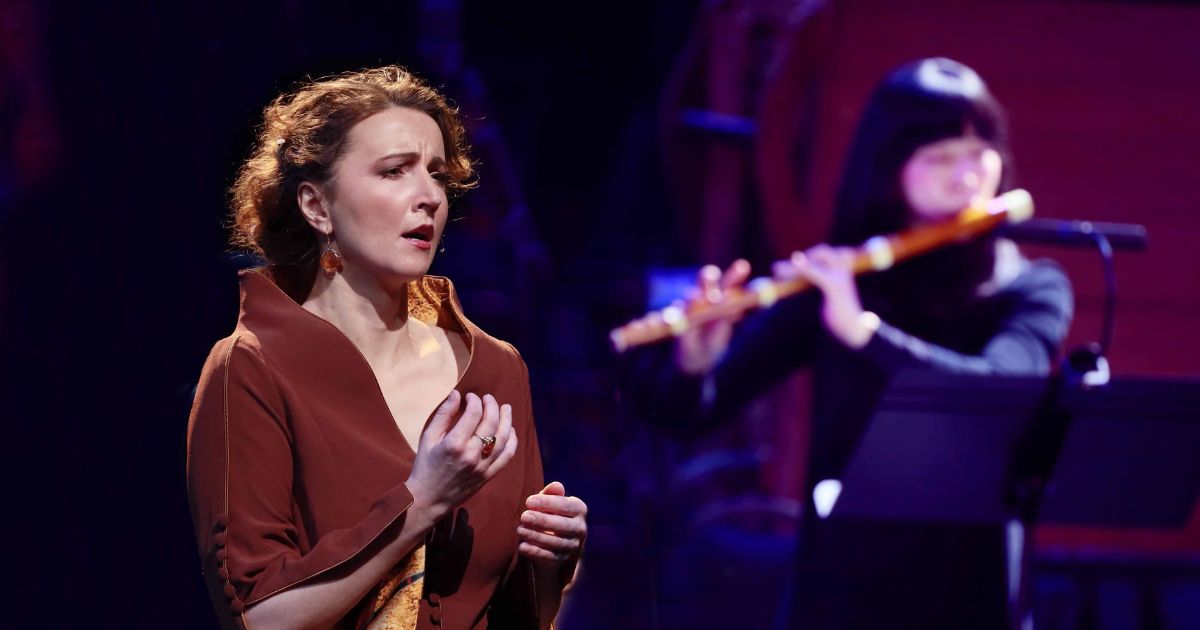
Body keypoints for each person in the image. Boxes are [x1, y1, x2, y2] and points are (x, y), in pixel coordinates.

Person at [631, 57, 1073, 628]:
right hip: (847, 588)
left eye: (977, 151)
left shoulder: (1031, 288)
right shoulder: (838, 284)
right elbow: (688, 416)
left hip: (971, 586)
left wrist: (864, 334)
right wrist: (695, 362)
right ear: (889, 169)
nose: (967, 175)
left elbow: (998, 390)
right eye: (940, 157)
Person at [186, 66, 586, 630]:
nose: (429, 197)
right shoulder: (252, 368)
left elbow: (515, 616)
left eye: (437, 175)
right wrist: (421, 501)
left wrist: (549, 561)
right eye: (395, 171)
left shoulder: (496, 368)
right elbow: (260, 617)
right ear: (316, 207)